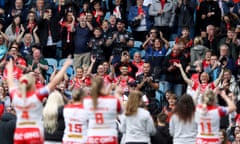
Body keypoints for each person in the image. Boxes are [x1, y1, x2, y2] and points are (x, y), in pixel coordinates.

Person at [6, 57, 72, 144]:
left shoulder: (15, 96)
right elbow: (53, 83)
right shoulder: (37, 95)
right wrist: (64, 67)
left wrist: (10, 66)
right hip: (34, 132)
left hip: (19, 133)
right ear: (33, 84)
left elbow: (10, 80)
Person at [83, 77, 123, 144]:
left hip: (93, 136)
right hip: (109, 137)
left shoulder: (86, 101)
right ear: (103, 86)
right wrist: (118, 95)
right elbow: (121, 111)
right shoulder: (113, 100)